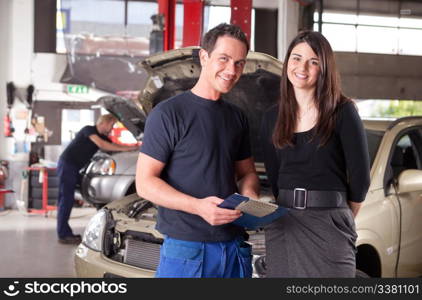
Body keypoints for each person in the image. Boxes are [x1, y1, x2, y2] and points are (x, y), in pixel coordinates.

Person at [136, 23, 260, 278]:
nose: (231, 70)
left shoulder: (237, 117)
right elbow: (145, 183)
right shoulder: (168, 114)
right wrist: (198, 206)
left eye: (239, 63)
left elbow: (247, 173)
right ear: (204, 57)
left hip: (234, 246)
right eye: (223, 59)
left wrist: (250, 198)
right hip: (187, 251)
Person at [260, 30, 370, 277]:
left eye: (313, 61)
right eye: (296, 58)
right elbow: (274, 177)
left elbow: (361, 179)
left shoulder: (343, 112)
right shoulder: (271, 117)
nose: (302, 67)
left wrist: (339, 217)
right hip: (284, 223)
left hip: (329, 222)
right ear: (288, 62)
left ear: (324, 68)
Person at [57, 114, 138, 244]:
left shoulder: (102, 137)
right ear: (104, 122)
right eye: (111, 125)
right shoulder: (89, 130)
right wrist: (130, 148)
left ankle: (65, 232)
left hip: (75, 167)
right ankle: (63, 234)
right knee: (66, 199)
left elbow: (113, 147)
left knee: (67, 198)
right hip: (67, 165)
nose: (111, 129)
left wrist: (131, 148)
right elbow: (103, 145)